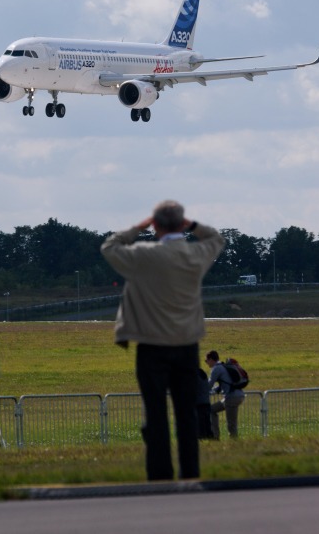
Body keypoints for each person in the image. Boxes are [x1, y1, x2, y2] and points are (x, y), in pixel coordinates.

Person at [100, 200, 224, 481]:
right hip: (187, 345)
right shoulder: (195, 255)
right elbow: (216, 237)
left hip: (151, 346)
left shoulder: (143, 255)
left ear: (154, 225)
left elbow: (110, 247)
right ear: (182, 224)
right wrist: (192, 226)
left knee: (155, 414)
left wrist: (137, 228)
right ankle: (190, 472)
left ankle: (160, 475)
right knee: (187, 414)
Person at [205, 350, 245, 439]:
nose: (206, 363)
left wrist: (201, 391)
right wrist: (213, 391)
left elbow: (208, 385)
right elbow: (223, 384)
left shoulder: (216, 369)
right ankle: (215, 436)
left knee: (231, 424)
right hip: (236, 395)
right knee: (211, 410)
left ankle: (234, 443)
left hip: (232, 397)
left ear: (211, 359)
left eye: (206, 361)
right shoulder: (222, 366)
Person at [196, 367, 214, 439]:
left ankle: (202, 438)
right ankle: (210, 437)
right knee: (207, 423)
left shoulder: (195, 375)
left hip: (198, 403)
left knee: (201, 424)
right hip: (206, 402)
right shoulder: (202, 374)